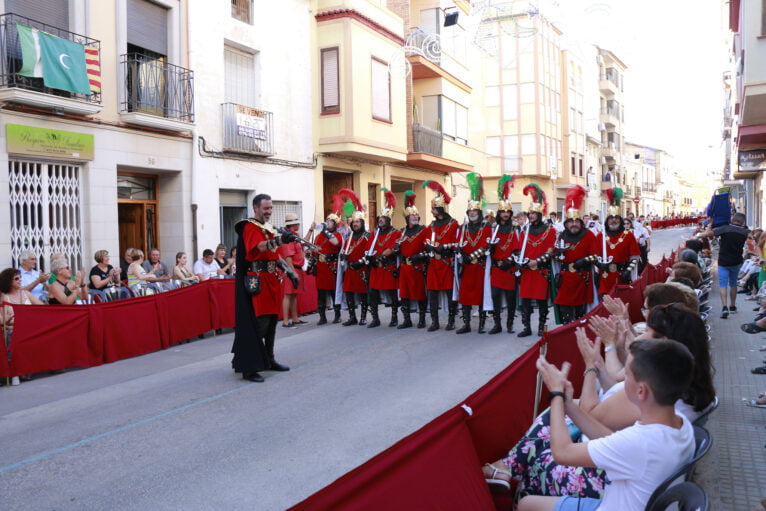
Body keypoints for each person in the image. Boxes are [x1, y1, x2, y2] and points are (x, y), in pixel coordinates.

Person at [515, 339, 695, 511]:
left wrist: (555, 395)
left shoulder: (641, 443)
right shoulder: (680, 422)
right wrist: (568, 404)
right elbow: (611, 439)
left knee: (526, 503)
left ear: (641, 391)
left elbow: (562, 452)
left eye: (628, 373)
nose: (623, 376)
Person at [231, 193, 299, 382]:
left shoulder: (266, 228)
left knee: (270, 323)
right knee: (259, 324)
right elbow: (260, 247)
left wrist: (290, 272)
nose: (269, 211)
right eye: (266, 208)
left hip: (271, 279)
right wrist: (280, 240)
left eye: (270, 208)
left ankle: (269, 359)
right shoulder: (250, 226)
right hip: (257, 280)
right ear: (255, 208)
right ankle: (249, 366)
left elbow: (274, 255)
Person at [553, 185, 598, 324]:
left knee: (580, 311)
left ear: (580, 222)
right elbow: (555, 257)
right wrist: (556, 254)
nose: (574, 224)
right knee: (565, 309)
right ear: (566, 224)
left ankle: (580, 331)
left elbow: (596, 255)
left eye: (576, 221)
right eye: (571, 221)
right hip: (565, 278)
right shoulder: (561, 236)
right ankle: (567, 331)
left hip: (582, 277)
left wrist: (584, 260)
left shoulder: (589, 235)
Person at [517, 184, 556, 337]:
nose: (531, 216)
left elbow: (551, 251)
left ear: (540, 214)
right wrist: (522, 261)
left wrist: (537, 262)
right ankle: (526, 327)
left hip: (541, 270)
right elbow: (520, 249)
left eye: (534, 213)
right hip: (527, 270)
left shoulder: (550, 230)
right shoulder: (525, 230)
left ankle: (541, 326)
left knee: (541, 301)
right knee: (525, 300)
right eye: (530, 213)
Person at [455, 173, 492, 334]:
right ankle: (466, 324)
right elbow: (459, 243)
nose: (472, 212)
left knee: (480, 296)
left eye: (475, 210)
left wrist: (472, 256)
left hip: (479, 266)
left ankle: (481, 324)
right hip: (466, 267)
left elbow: (486, 245)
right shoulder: (463, 228)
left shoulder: (486, 227)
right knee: (465, 296)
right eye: (470, 210)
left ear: (479, 211)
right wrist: (460, 253)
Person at [422, 180, 460, 331]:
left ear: (441, 208)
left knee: (451, 293)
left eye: (434, 209)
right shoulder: (431, 225)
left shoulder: (454, 224)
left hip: (447, 263)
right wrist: (427, 245)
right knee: (432, 293)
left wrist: (446, 247)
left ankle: (451, 321)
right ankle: (435, 322)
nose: (432, 211)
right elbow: (425, 239)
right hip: (433, 263)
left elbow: (458, 243)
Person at [698, 212, 749, 318]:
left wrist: (710, 224)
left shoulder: (725, 228)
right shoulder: (745, 232)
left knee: (723, 284)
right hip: (736, 261)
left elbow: (706, 234)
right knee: (733, 284)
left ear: (732, 219)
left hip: (723, 261)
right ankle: (733, 306)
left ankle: (724, 307)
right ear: (743, 222)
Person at [365, 188, 402, 328]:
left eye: (383, 218)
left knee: (392, 294)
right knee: (373, 293)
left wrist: (379, 256)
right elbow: (368, 248)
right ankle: (375, 319)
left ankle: (394, 317)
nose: (380, 219)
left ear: (388, 219)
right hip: (375, 268)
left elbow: (392, 248)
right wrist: (368, 257)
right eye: (380, 217)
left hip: (387, 267)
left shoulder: (395, 232)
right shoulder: (375, 233)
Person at [488, 175, 519, 334]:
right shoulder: (493, 229)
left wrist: (510, 260)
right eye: (503, 212)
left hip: (509, 269)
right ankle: (497, 324)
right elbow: (490, 249)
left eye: (508, 212)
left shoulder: (515, 229)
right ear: (499, 213)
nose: (505, 214)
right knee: (495, 297)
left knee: (511, 298)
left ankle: (510, 324)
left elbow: (518, 249)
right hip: (496, 269)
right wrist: (490, 248)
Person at [595, 188, 640, 295]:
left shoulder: (628, 235)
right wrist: (599, 264)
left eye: (616, 218)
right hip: (605, 275)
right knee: (605, 303)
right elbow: (594, 255)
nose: (613, 220)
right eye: (611, 218)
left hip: (621, 274)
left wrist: (628, 271)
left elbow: (635, 257)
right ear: (607, 220)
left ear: (620, 220)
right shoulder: (601, 235)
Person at [395, 191, 428, 329]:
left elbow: (429, 249)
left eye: (416, 214)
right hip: (404, 267)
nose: (414, 216)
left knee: (420, 293)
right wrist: (396, 248)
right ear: (407, 218)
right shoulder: (402, 231)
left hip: (417, 267)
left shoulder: (423, 230)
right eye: (412, 215)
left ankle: (422, 319)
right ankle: (406, 319)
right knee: (404, 295)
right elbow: (396, 249)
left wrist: (420, 256)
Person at [337, 189, 370, 326]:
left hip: (361, 270)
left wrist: (360, 262)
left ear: (362, 223)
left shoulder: (367, 236)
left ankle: (363, 317)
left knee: (363, 294)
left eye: (358, 222)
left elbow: (369, 254)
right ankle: (352, 317)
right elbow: (344, 250)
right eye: (354, 222)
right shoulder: (349, 236)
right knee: (349, 293)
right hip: (350, 270)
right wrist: (343, 255)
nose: (355, 224)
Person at [312, 205, 342, 325]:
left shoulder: (337, 235)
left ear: (335, 224)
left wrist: (324, 231)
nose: (328, 223)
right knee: (321, 293)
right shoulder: (319, 236)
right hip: (321, 266)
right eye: (327, 221)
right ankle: (322, 316)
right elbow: (315, 250)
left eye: (331, 222)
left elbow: (336, 244)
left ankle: (337, 315)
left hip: (331, 266)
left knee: (334, 292)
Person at [279, 213, 307, 328]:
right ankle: (286, 321)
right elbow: (288, 257)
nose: (299, 224)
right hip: (292, 269)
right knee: (288, 295)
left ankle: (295, 318)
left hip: (296, 268)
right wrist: (292, 272)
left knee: (294, 295)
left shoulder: (294, 237)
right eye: (297, 223)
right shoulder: (289, 239)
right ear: (293, 225)